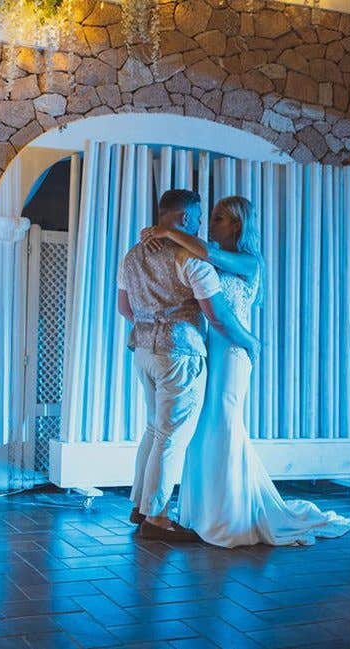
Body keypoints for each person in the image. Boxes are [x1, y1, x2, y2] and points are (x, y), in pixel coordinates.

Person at [140, 196, 350, 547]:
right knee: (201, 429)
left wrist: (166, 229)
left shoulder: (250, 262)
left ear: (237, 224)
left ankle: (231, 515)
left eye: (219, 218)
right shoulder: (203, 255)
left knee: (224, 424)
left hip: (234, 352)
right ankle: (203, 511)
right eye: (211, 217)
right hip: (208, 348)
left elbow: (209, 254)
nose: (211, 223)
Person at [117, 189, 259, 541]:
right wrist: (250, 341)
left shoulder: (133, 255)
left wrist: (150, 322)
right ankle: (158, 518)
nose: (201, 225)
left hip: (143, 352)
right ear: (183, 218)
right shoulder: (189, 257)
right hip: (180, 352)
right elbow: (216, 314)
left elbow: (124, 309)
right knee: (171, 437)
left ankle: (141, 506)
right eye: (198, 218)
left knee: (153, 430)